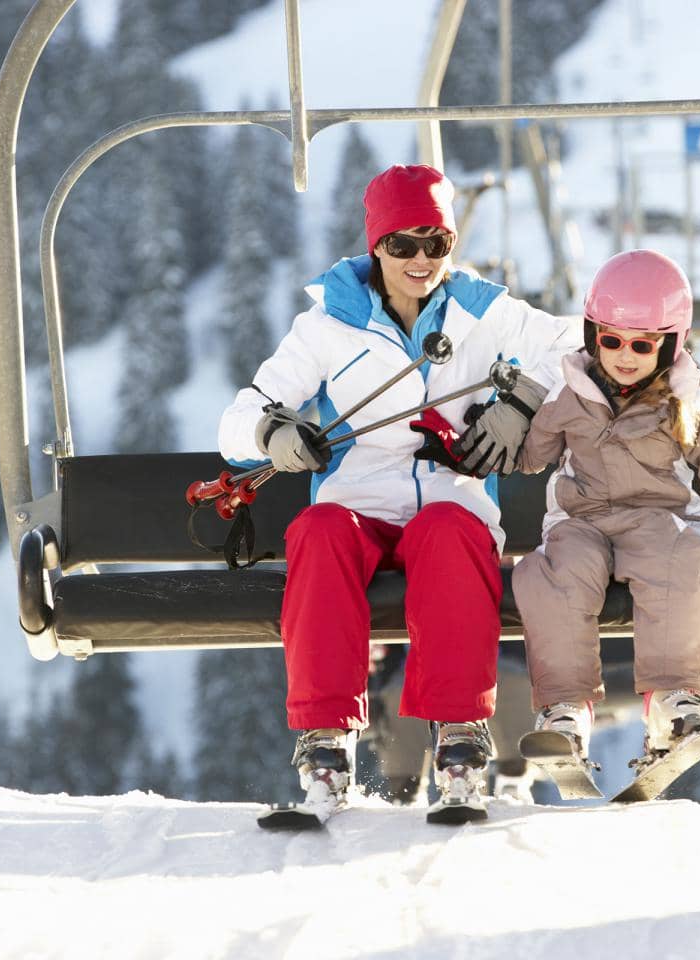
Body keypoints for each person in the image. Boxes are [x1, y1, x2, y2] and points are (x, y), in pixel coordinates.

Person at [216, 163, 578, 814]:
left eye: (435, 243)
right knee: (319, 532)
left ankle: (461, 741)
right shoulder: (329, 324)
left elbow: (578, 344)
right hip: (358, 502)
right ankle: (326, 743)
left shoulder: (479, 310)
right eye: (401, 244)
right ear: (376, 244)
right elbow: (237, 418)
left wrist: (521, 399)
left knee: (451, 532)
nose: (419, 260)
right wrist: (272, 434)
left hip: (450, 493)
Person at [510, 249, 700, 772]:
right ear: (591, 336)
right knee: (557, 575)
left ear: (669, 344)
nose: (625, 355)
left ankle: (672, 703)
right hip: (580, 520)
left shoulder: (685, 401)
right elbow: (528, 457)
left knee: (674, 565)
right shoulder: (567, 392)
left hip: (658, 519)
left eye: (642, 345)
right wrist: (504, 417)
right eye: (612, 341)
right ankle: (565, 709)